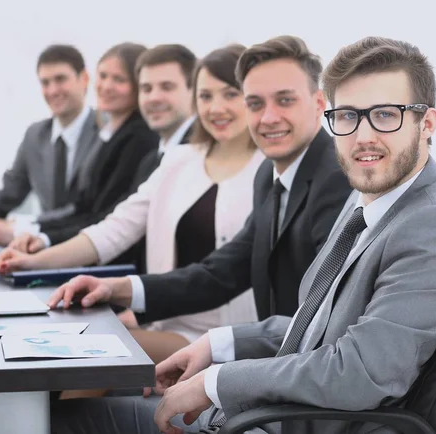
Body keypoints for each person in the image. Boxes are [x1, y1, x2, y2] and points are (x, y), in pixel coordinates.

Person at [51, 36, 436, 434]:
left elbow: (358, 373)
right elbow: (319, 325)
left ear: (427, 123)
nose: (364, 136)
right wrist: (220, 345)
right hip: (279, 413)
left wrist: (219, 382)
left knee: (72, 420)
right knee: (67, 411)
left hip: (300, 422)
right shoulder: (371, 198)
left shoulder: (434, 224)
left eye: (385, 116)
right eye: (348, 117)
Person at [42, 35, 353, 331]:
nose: (268, 117)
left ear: (318, 103)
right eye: (256, 104)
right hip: (266, 356)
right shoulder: (270, 176)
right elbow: (222, 273)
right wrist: (118, 288)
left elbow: (325, 319)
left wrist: (218, 355)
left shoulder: (337, 178)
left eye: (285, 100)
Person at [0, 44, 265, 364]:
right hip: (169, 321)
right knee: (62, 341)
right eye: (206, 97)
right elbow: (114, 229)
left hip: (228, 338)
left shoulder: (268, 168)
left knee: (81, 353)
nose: (215, 108)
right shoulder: (179, 161)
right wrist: (34, 261)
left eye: (230, 94)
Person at [10, 44, 198, 256]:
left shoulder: (146, 140)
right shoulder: (113, 136)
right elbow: (98, 213)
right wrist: (38, 238)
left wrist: (40, 241)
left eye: (119, 79)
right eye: (103, 76)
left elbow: (111, 219)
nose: (107, 86)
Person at [0, 44, 98, 246]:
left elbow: (86, 210)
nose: (52, 90)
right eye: (45, 82)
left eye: (60, 79)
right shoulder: (35, 136)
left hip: (90, 248)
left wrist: (18, 226)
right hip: (40, 252)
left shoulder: (105, 132)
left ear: (84, 79)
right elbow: (5, 190)